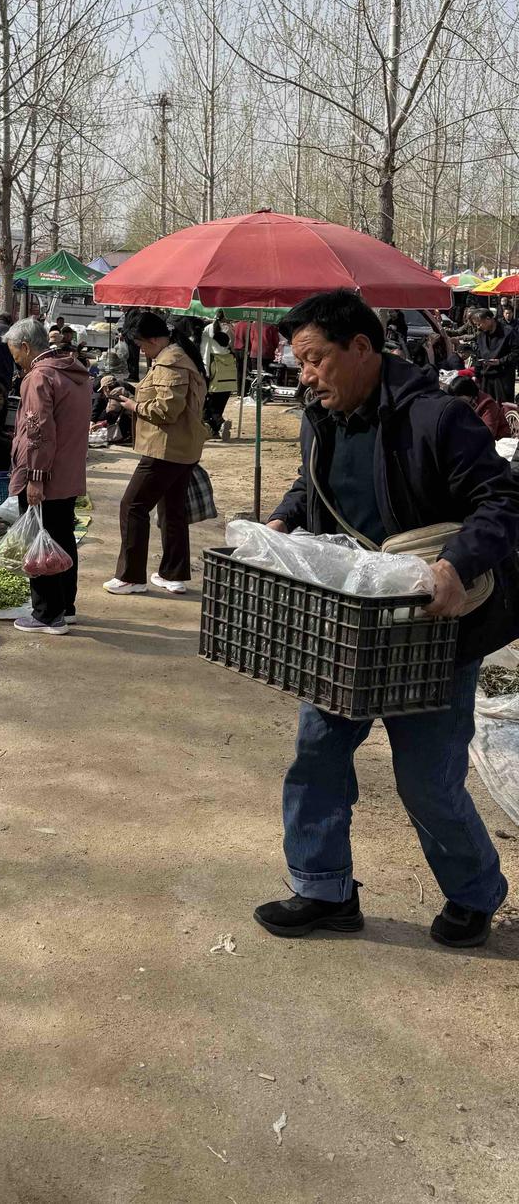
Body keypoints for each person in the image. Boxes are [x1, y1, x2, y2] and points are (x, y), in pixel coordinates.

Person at [257, 289, 519, 950]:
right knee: (317, 757)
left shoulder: (437, 418)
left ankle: (474, 892)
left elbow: (502, 501)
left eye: (314, 359)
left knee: (426, 780)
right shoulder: (321, 416)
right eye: (299, 362)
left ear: (361, 348)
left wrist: (456, 565)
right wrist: (282, 521)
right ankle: (324, 890)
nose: (305, 376)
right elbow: (313, 485)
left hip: (431, 630)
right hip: (347, 626)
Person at [103, 309, 206, 596]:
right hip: (181, 448)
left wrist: (132, 406)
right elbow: (160, 394)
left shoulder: (171, 362)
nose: (141, 351)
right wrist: (129, 390)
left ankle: (131, 576)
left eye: (140, 344)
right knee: (172, 510)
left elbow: (165, 411)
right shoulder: (175, 357)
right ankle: (173, 574)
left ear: (153, 339)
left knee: (132, 506)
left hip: (166, 449)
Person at [2, 317, 91, 632]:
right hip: (68, 473)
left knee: (41, 540)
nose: (17, 362)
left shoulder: (39, 376)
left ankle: (47, 614)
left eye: (15, 355)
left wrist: (35, 477)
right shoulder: (74, 372)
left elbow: (38, 432)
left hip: (46, 475)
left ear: (26, 347)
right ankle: (65, 606)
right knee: (62, 537)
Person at [471, 307, 519, 404]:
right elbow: (478, 355)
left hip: (503, 377)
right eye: (476, 325)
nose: (478, 327)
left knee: (504, 406)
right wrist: (476, 375)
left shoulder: (508, 332)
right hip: (486, 377)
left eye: (479, 324)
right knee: (487, 405)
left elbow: (516, 353)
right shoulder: (481, 335)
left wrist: (500, 361)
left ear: (488, 319)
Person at [201, 320, 238, 440]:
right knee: (220, 403)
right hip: (229, 369)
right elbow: (233, 347)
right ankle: (215, 430)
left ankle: (220, 423)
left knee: (209, 404)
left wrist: (205, 371)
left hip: (215, 368)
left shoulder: (208, 329)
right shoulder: (230, 328)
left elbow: (205, 351)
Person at [449, 374, 509, 441]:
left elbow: (488, 433)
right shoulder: (461, 403)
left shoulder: (487, 404)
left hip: (497, 441)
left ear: (469, 394)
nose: (457, 402)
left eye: (460, 398)